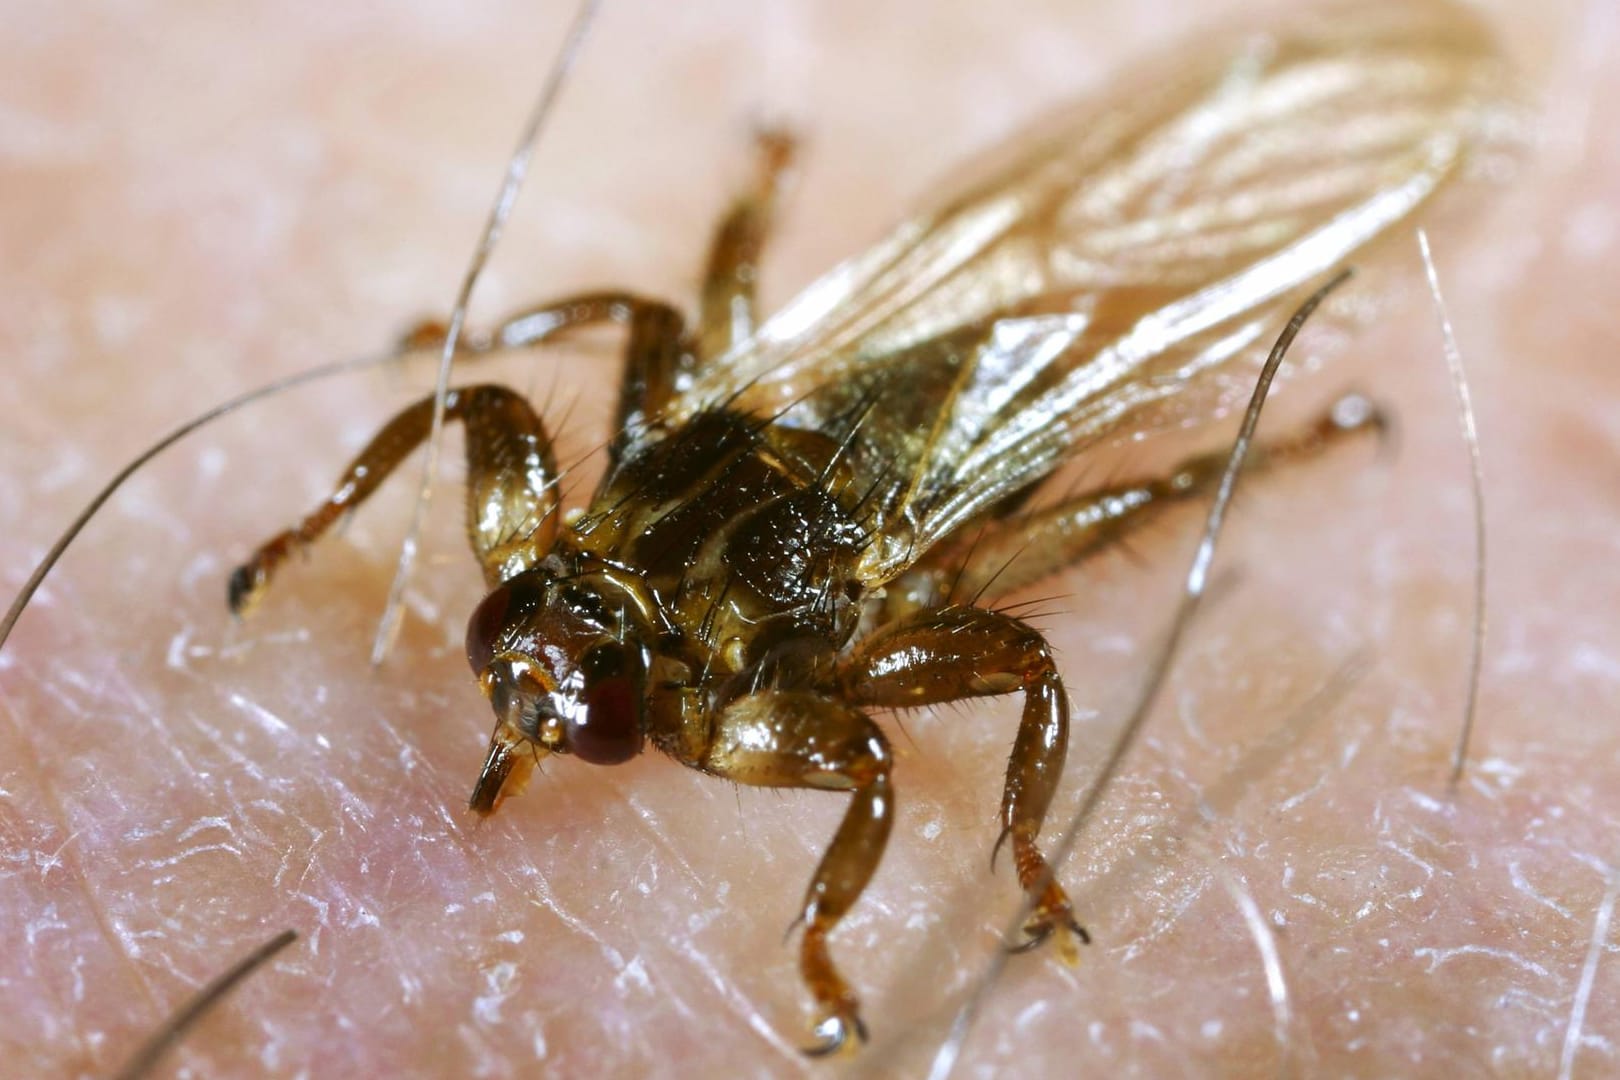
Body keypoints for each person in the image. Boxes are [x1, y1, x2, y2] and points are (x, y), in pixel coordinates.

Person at [1, 1, 1609, 1073]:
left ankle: (1267, 462)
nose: (546, 689)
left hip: (928, 462)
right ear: (540, 568)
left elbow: (908, 731)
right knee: (650, 337)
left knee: (1115, 515)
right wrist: (344, 488)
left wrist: (965, 883)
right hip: (841, 376)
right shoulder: (591, 547)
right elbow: (574, 364)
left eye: (558, 666)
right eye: (535, 640)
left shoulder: (781, 670)